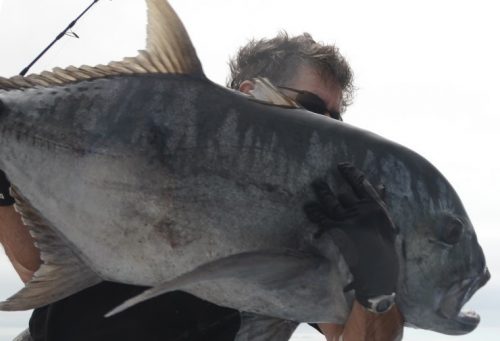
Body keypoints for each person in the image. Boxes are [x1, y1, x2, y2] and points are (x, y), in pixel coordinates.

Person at [0, 32, 403, 341]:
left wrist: (378, 284)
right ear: (251, 93)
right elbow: (41, 268)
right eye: (314, 110)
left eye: (336, 119)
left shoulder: (318, 217)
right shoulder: (140, 148)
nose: (329, 131)